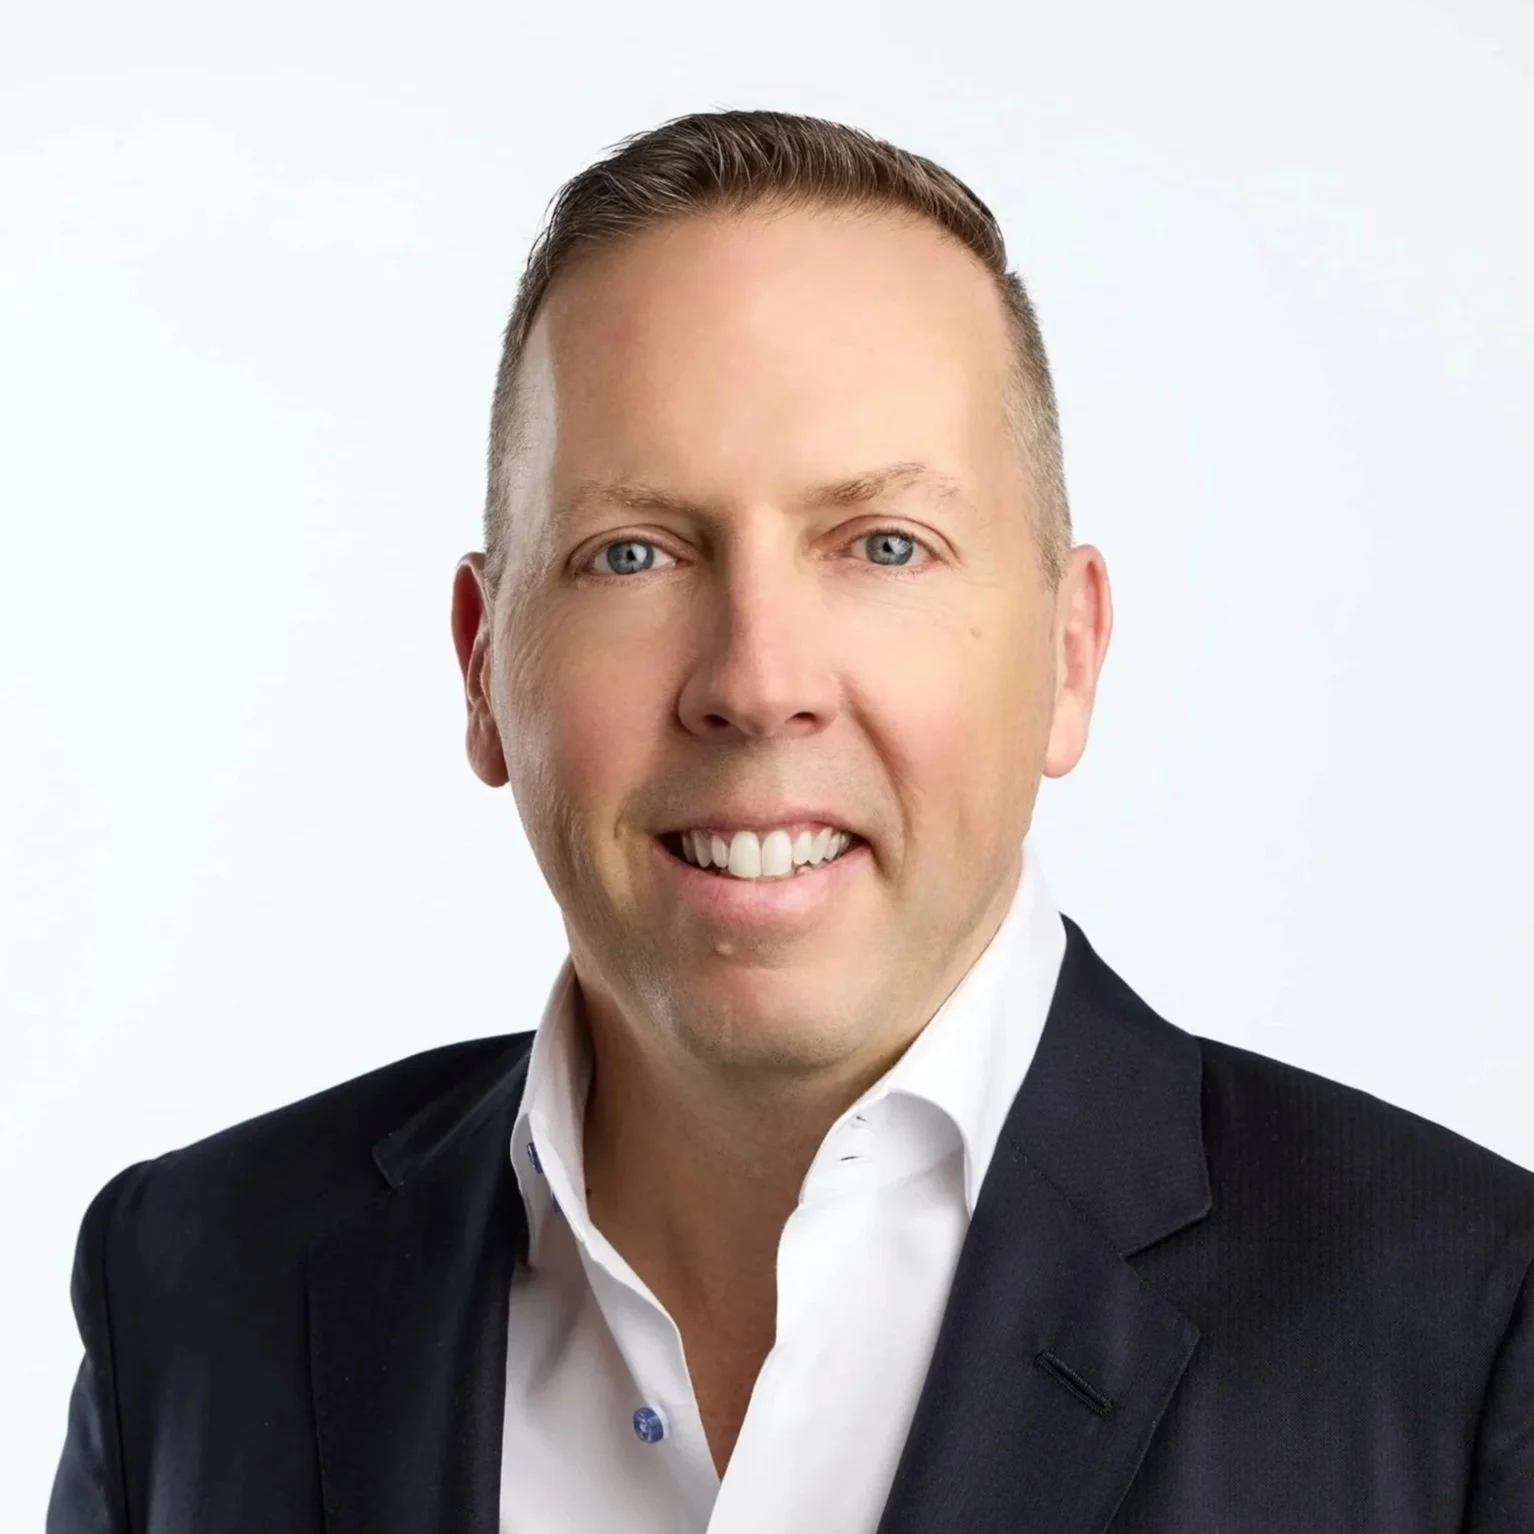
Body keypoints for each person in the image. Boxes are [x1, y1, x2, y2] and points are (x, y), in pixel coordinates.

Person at [48, 108, 1533, 1534]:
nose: (756, 684)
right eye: (632, 551)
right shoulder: (191, 1292)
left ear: (1070, 654)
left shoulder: (1465, 1331)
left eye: (883, 544)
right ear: (484, 667)